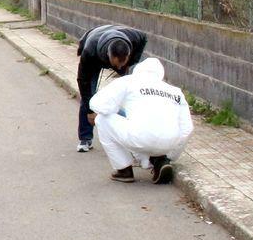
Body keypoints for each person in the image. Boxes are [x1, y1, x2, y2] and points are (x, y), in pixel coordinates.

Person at [88, 57, 192, 184]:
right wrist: (171, 155)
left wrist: (118, 110)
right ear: (160, 74)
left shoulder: (128, 81)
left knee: (102, 119)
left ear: (137, 70)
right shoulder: (175, 91)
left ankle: (124, 170)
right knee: (143, 129)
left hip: (139, 138)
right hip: (169, 143)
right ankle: (159, 160)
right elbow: (187, 128)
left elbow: (98, 104)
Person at [74, 23, 148, 153]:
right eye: (116, 64)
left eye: (122, 63)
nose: (119, 68)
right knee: (88, 95)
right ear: (110, 56)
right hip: (94, 49)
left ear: (128, 54)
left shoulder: (134, 37)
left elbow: (144, 37)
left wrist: (130, 64)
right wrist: (90, 111)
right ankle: (85, 138)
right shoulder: (89, 52)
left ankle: (129, 135)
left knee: (128, 96)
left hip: (114, 36)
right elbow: (82, 81)